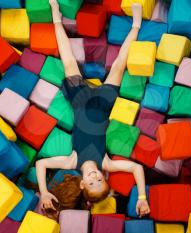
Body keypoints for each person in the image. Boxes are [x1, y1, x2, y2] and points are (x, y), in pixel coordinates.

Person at [36, 0, 150, 218]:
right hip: (103, 105)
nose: (95, 176)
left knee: (68, 61)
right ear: (104, 176)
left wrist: (44, 193)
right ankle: (136, 25)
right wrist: (142, 197)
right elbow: (137, 169)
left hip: (79, 102)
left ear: (82, 185)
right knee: (119, 66)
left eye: (91, 182)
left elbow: (41, 164)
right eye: (100, 180)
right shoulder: (105, 162)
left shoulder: (72, 161)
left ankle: (56, 15)